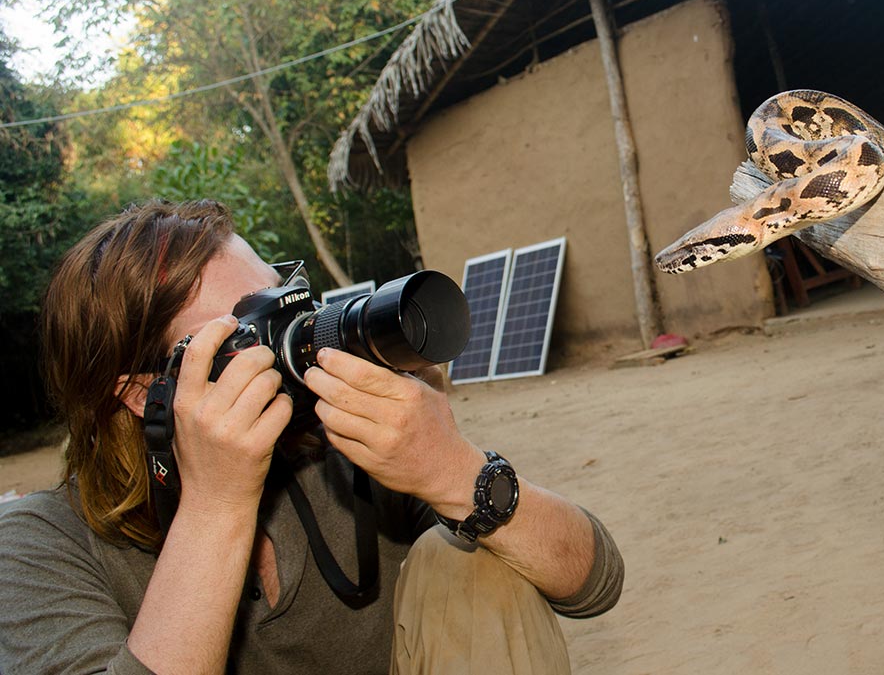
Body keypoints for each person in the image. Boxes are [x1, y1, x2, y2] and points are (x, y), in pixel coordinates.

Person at [0, 199, 623, 675]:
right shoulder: (36, 546)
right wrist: (218, 506)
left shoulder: (337, 452)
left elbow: (594, 582)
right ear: (143, 394)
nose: (297, 333)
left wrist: (456, 472)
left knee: (473, 564)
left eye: (283, 301)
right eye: (253, 326)